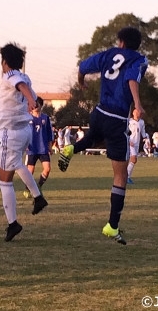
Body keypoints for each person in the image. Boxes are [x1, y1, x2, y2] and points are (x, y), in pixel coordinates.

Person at [58, 27, 148, 245]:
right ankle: (112, 225)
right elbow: (131, 79)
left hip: (98, 112)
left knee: (93, 138)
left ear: (121, 42)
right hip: (117, 118)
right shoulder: (139, 59)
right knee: (121, 176)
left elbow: (82, 67)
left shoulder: (109, 54)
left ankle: (70, 149)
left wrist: (80, 81)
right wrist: (137, 103)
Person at [0, 43, 48, 242]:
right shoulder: (25, 76)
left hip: (11, 131)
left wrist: (30, 101)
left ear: (5, 62)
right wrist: (32, 101)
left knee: (3, 179)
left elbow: (23, 88)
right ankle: (38, 197)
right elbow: (32, 94)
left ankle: (12, 223)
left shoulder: (11, 76)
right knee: (17, 164)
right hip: (24, 130)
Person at [23, 97, 53, 198]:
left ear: (41, 105)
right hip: (31, 148)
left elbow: (49, 133)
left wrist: (50, 146)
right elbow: (23, 132)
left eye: (37, 104)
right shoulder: (27, 118)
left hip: (43, 148)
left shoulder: (45, 118)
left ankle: (38, 186)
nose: (35, 106)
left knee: (47, 169)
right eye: (34, 104)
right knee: (30, 171)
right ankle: (27, 189)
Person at [127, 108, 148, 184]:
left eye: (139, 112)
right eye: (137, 112)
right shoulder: (129, 121)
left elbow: (143, 132)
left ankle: (126, 176)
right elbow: (126, 132)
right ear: (133, 113)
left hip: (137, 143)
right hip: (131, 143)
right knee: (133, 159)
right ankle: (127, 176)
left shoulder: (141, 122)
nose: (138, 114)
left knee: (132, 160)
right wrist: (129, 140)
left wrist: (146, 139)